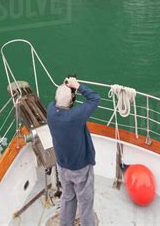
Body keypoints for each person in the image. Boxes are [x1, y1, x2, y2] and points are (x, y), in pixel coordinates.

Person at [47, 76, 101, 226]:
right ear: (71, 101)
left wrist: (65, 88)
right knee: (85, 203)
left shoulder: (51, 110)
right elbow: (95, 99)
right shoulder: (74, 117)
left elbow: (59, 100)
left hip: (62, 165)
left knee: (68, 197)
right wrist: (77, 86)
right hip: (80, 169)